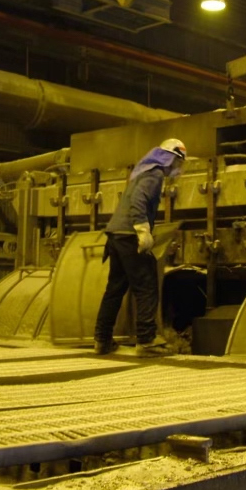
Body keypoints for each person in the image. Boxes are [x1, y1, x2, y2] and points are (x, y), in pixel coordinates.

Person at [93, 138, 187, 357]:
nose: (178, 168)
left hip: (115, 235)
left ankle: (102, 340)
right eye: (178, 162)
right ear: (170, 158)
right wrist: (143, 230)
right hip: (129, 236)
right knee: (146, 286)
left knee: (114, 289)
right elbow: (138, 201)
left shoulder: (141, 173)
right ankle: (146, 341)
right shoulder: (154, 175)